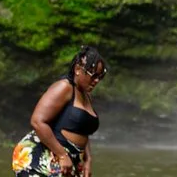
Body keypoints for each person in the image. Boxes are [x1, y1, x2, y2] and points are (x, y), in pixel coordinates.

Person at [12, 46, 107, 177]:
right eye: (94, 75)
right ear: (78, 69)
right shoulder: (64, 88)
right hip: (43, 158)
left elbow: (82, 131)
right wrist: (62, 155)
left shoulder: (86, 96)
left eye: (100, 76)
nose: (96, 80)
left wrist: (87, 159)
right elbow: (37, 121)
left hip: (70, 161)